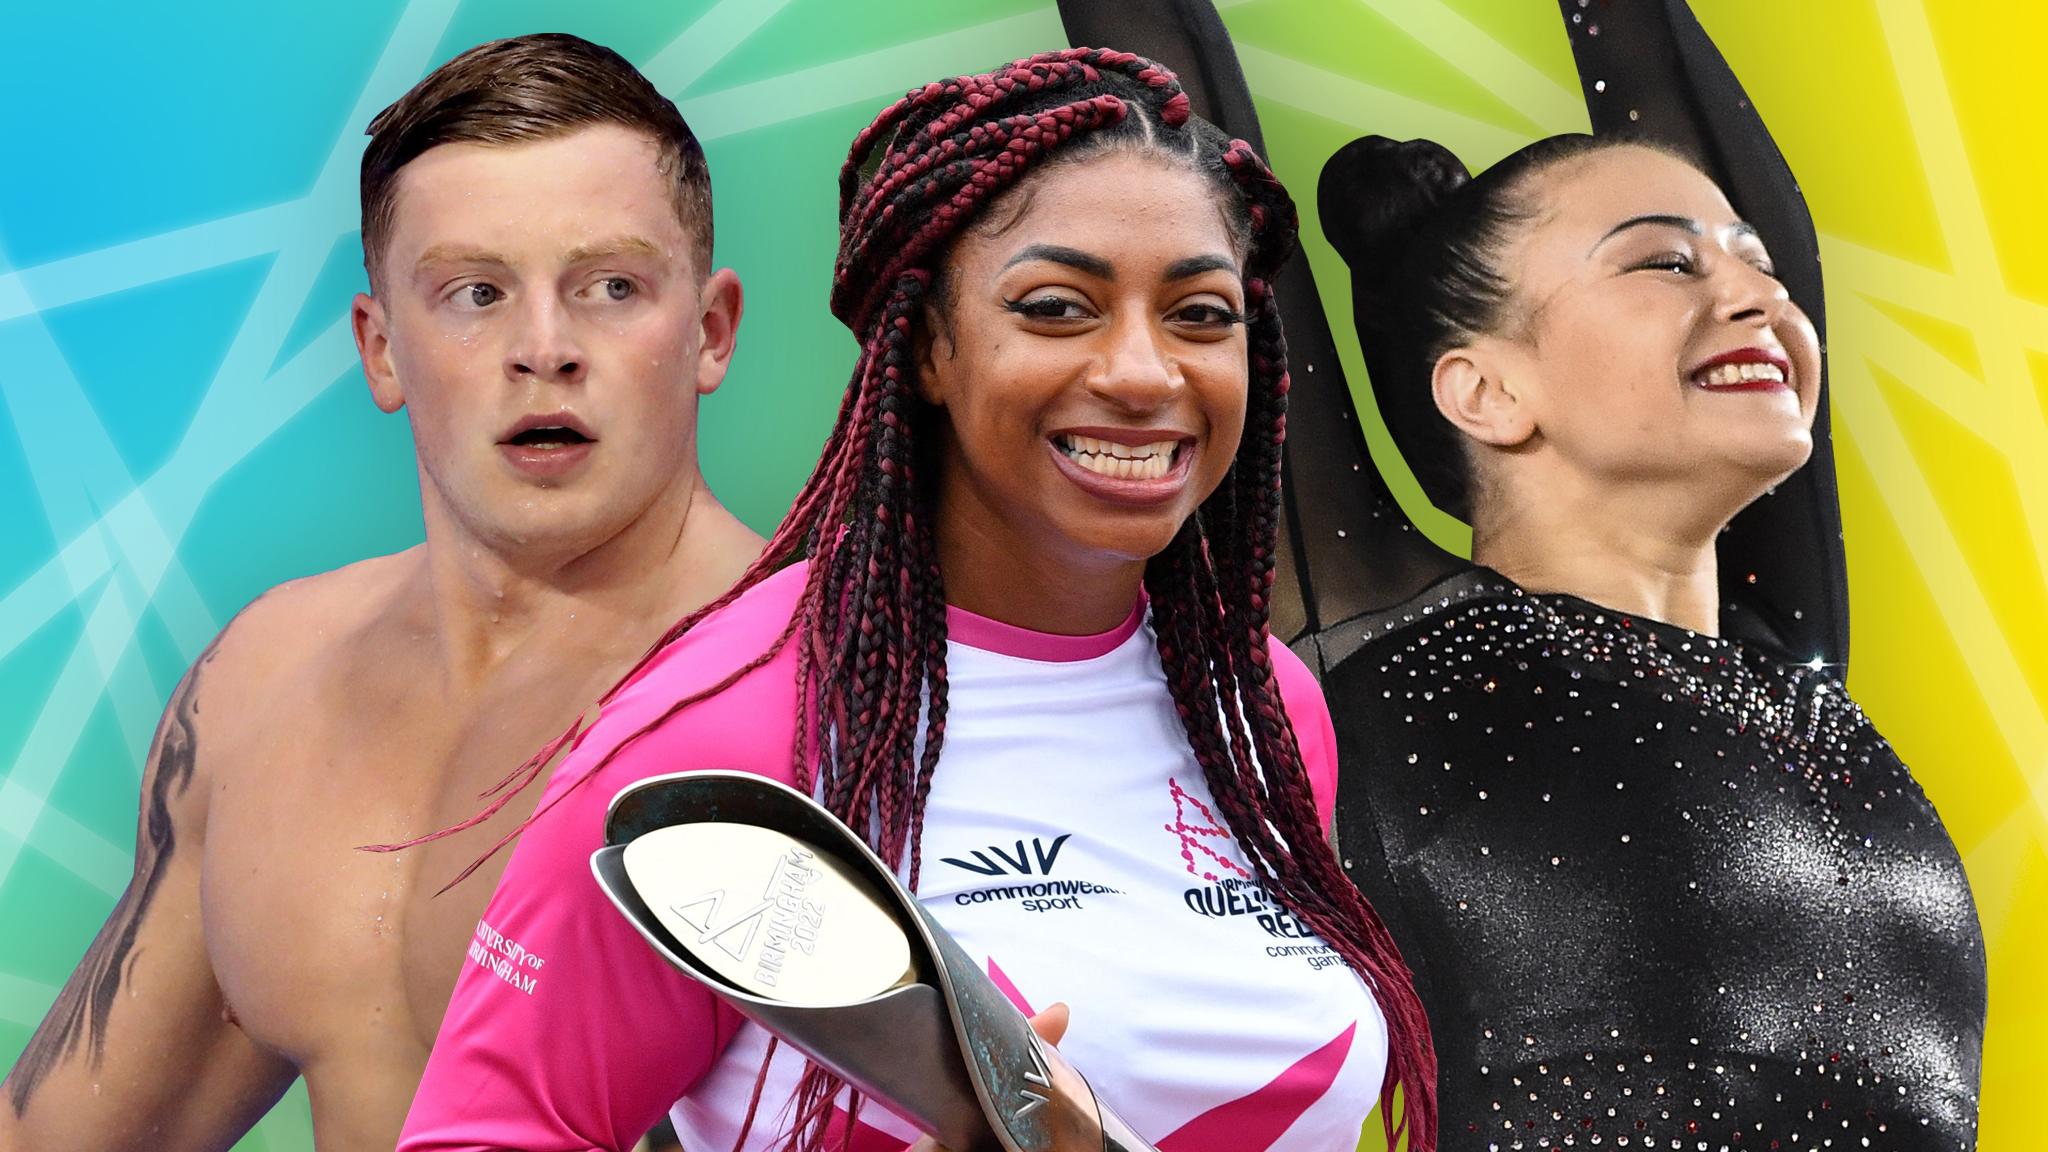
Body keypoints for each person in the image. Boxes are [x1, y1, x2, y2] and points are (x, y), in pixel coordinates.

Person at [399, 47, 1438, 1152]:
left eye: (1198, 315)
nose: (1142, 373)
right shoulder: (734, 720)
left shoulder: (1259, 706)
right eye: (1055, 307)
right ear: (927, 347)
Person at [0, 33, 760, 1151]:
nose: (543, 348)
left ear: (709, 331)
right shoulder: (266, 686)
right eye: (474, 292)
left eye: (610, 287)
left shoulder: (830, 680)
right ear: (381, 349)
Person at [1301, 5, 1987, 1149]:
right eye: (1663, 261)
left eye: (1756, 266)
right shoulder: (1377, 637)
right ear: (1483, 389)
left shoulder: (1790, 676)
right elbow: (1179, 134)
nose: (1756, 296)